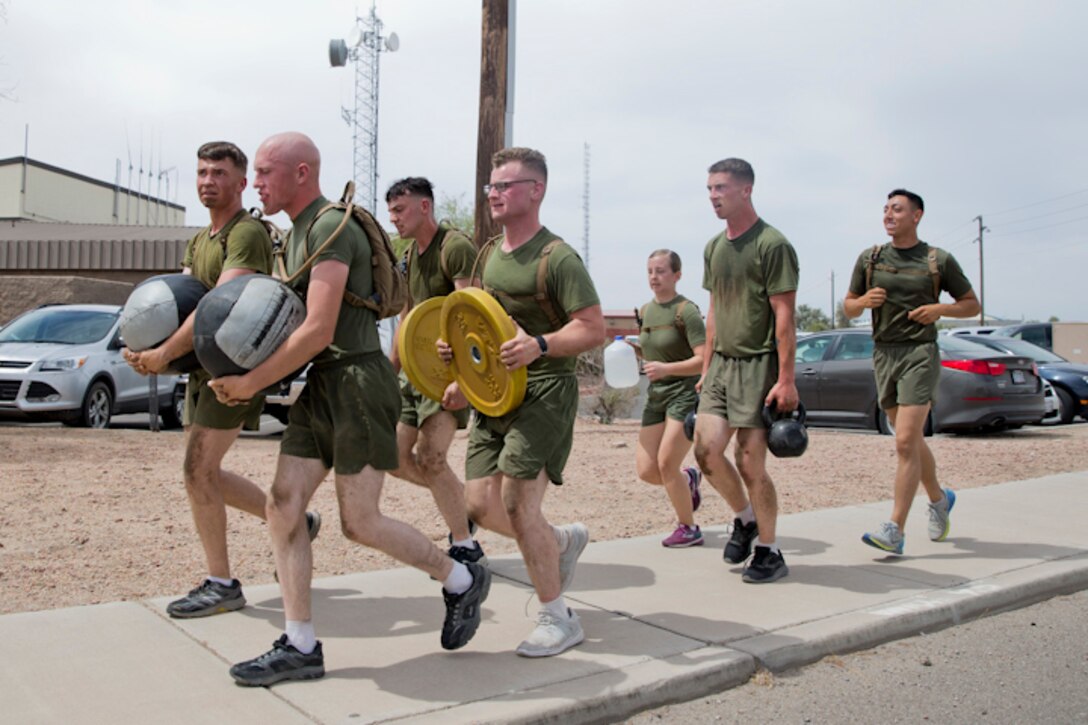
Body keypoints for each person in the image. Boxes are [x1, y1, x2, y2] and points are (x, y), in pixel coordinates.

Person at [210, 132, 490, 687]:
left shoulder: (328, 229)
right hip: (325, 383)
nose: (256, 183)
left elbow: (316, 329)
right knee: (283, 505)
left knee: (359, 522)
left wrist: (250, 385)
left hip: (359, 381)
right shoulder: (293, 235)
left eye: (266, 172)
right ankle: (300, 644)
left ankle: (459, 578)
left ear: (302, 173)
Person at [124, 141, 320, 618]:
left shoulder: (246, 233)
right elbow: (183, 299)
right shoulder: (200, 239)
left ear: (238, 182)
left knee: (197, 469)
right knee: (203, 472)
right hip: (201, 370)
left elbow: (219, 307)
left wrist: (162, 355)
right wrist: (148, 349)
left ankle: (221, 582)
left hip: (232, 370)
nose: (207, 180)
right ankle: (297, 519)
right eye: (201, 172)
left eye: (219, 172)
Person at [443, 147, 605, 657]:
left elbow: (593, 328)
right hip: (494, 391)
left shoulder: (557, 258)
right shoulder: (488, 253)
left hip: (544, 391)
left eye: (505, 186)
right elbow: (478, 321)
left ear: (535, 190)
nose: (494, 193)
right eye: (491, 186)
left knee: (517, 501)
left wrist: (540, 344)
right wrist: (457, 360)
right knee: (476, 504)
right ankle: (557, 542)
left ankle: (559, 616)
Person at [844, 189, 979, 555]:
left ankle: (895, 530)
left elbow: (971, 305)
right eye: (886, 209)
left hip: (920, 352)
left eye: (897, 209)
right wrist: (863, 302)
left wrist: (939, 310)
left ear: (916, 216)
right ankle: (939, 498)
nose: (889, 214)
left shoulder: (937, 260)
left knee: (904, 441)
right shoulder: (870, 257)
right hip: (884, 353)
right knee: (912, 442)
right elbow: (849, 308)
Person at [693, 157, 799, 584]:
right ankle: (745, 518)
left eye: (721, 188)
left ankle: (770, 552)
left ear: (746, 190)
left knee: (751, 463)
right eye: (710, 189)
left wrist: (787, 378)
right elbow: (715, 310)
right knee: (705, 452)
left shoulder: (772, 244)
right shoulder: (714, 248)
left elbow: (785, 316)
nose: (714, 197)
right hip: (721, 367)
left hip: (760, 365)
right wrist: (706, 365)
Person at [385, 177, 484, 565]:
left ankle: (464, 544)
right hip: (414, 373)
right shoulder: (408, 256)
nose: (394, 218)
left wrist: (465, 380)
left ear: (425, 207)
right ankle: (463, 507)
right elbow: (408, 319)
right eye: (391, 211)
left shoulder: (454, 247)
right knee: (392, 457)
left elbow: (473, 315)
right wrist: (389, 373)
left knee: (430, 457)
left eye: (400, 209)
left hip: (448, 377)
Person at [634, 249, 707, 547]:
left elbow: (703, 359)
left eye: (661, 271)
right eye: (651, 271)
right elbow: (653, 352)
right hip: (657, 394)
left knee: (666, 463)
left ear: (677, 275)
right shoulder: (646, 311)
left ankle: (688, 528)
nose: (654, 277)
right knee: (647, 470)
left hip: (684, 393)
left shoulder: (686, 311)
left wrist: (666, 368)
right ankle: (689, 479)